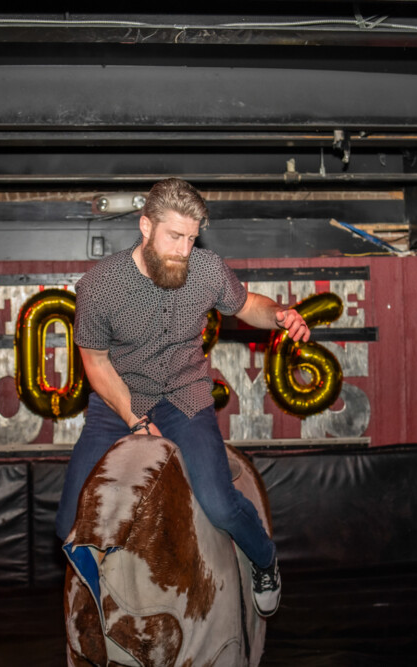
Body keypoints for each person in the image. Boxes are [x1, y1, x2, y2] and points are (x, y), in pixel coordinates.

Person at [54, 177, 310, 617]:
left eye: (192, 238)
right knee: (68, 526)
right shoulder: (99, 287)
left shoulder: (206, 269)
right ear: (146, 227)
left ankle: (265, 560)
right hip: (117, 403)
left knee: (218, 503)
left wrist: (279, 315)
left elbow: (246, 303)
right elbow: (95, 363)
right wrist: (134, 420)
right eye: (175, 236)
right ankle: (106, 607)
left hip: (184, 398)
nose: (184, 249)